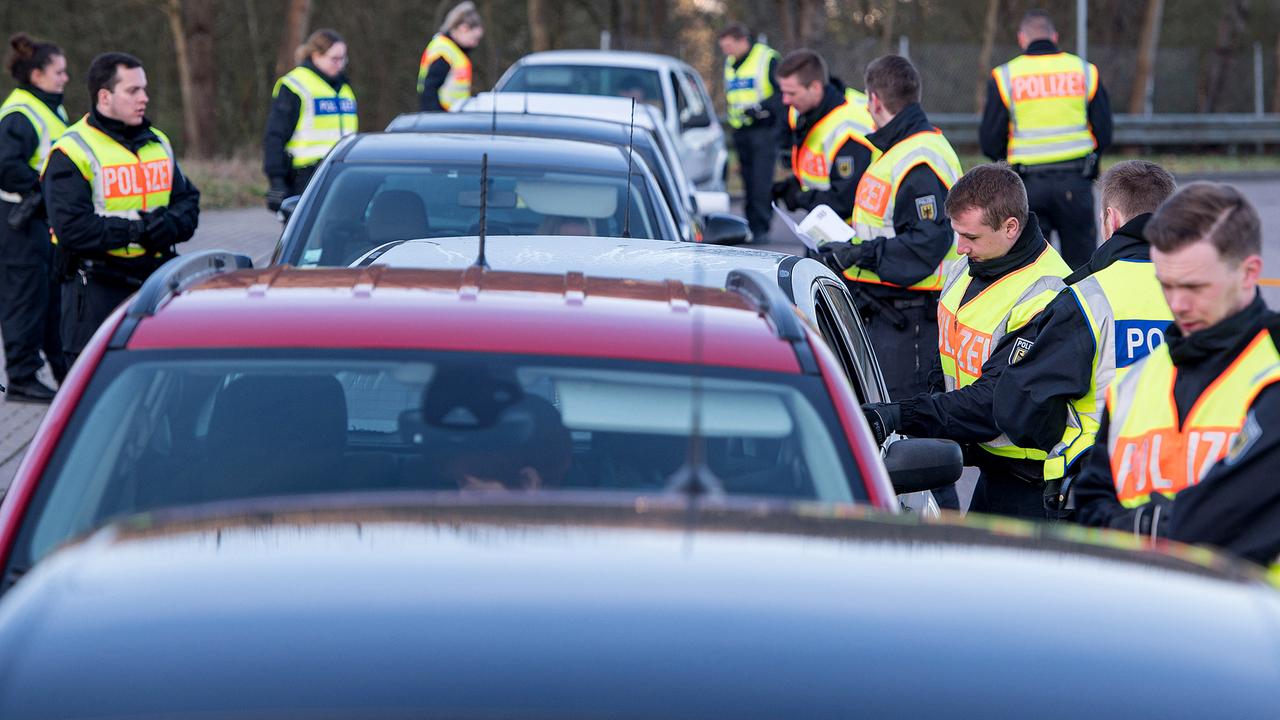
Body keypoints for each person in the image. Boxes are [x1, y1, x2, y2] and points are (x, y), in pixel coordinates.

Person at [1070, 182, 1279, 538]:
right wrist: (1150, 526)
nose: (1178, 305)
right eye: (1167, 285)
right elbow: (1091, 502)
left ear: (1248, 273)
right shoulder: (1134, 383)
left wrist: (1144, 526)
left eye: (1195, 287)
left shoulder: (1271, 369)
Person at [860, 164, 1069, 516]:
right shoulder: (972, 263)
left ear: (1010, 227)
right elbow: (945, 351)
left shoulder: (1047, 294)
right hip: (990, 467)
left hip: (1032, 486)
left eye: (970, 237)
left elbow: (993, 401)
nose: (959, 248)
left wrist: (903, 415)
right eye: (957, 234)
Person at [993, 160, 1176, 514]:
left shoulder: (1086, 296)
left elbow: (1019, 408)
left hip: (1100, 485)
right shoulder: (1208, 293)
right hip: (1188, 486)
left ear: (1111, 220)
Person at [816, 55, 961, 401]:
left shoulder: (918, 158)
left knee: (904, 417)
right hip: (892, 311)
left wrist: (861, 254)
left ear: (874, 100)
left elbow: (926, 243)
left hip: (912, 316)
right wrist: (847, 248)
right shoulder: (900, 148)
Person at [42, 52, 200, 366]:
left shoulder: (158, 143)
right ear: (105, 96)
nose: (144, 98)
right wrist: (137, 232)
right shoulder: (71, 151)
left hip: (155, 282)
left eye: (144, 89)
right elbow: (72, 229)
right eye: (133, 90)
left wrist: (168, 225)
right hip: (97, 287)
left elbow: (188, 203)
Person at [980, 10, 1112, 270]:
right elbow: (1105, 131)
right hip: (1076, 181)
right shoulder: (1084, 71)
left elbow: (990, 140)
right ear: (1055, 37)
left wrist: (1009, 165)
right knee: (1083, 266)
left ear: (1021, 39)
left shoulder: (1006, 76)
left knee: (1029, 266)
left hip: (1027, 185)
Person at [0, 34, 68, 402]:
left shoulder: (48, 108)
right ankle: (22, 378)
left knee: (49, 297)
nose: (65, 78)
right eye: (59, 72)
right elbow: (5, 167)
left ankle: (63, 372)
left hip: (40, 220)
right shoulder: (20, 113)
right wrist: (42, 187)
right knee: (23, 297)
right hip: (18, 221)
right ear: (37, 75)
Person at [771, 50, 875, 226]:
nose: (785, 100)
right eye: (783, 92)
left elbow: (844, 201)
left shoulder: (849, 129)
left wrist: (800, 197)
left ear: (815, 87)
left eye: (792, 93)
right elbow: (821, 166)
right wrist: (794, 184)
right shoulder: (803, 111)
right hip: (826, 224)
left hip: (854, 230)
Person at [263, 29, 357, 212]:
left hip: (341, 175)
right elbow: (274, 136)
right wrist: (276, 180)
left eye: (343, 59)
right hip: (305, 177)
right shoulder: (295, 86)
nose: (340, 64)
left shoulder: (344, 88)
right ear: (316, 55)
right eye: (334, 59)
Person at [718, 23, 782, 242]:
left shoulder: (766, 59)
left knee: (761, 181)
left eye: (729, 46)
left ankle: (761, 227)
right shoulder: (730, 63)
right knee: (747, 180)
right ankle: (750, 225)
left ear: (743, 41)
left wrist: (762, 108)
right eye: (723, 47)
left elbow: (782, 93)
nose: (726, 52)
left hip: (764, 130)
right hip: (741, 130)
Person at [417, 1, 483, 113]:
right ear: (463, 28)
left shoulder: (454, 50)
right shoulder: (444, 50)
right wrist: (436, 117)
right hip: (442, 117)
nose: (475, 44)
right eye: (474, 38)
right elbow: (430, 89)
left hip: (450, 116)